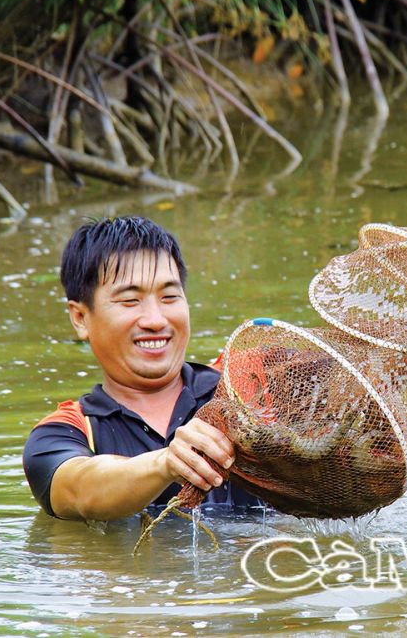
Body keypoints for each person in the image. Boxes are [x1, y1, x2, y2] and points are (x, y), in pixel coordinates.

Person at [22, 216, 260, 520]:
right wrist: (165, 464)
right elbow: (77, 489)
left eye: (169, 297)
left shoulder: (247, 382)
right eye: (130, 300)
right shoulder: (63, 433)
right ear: (80, 317)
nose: (156, 320)